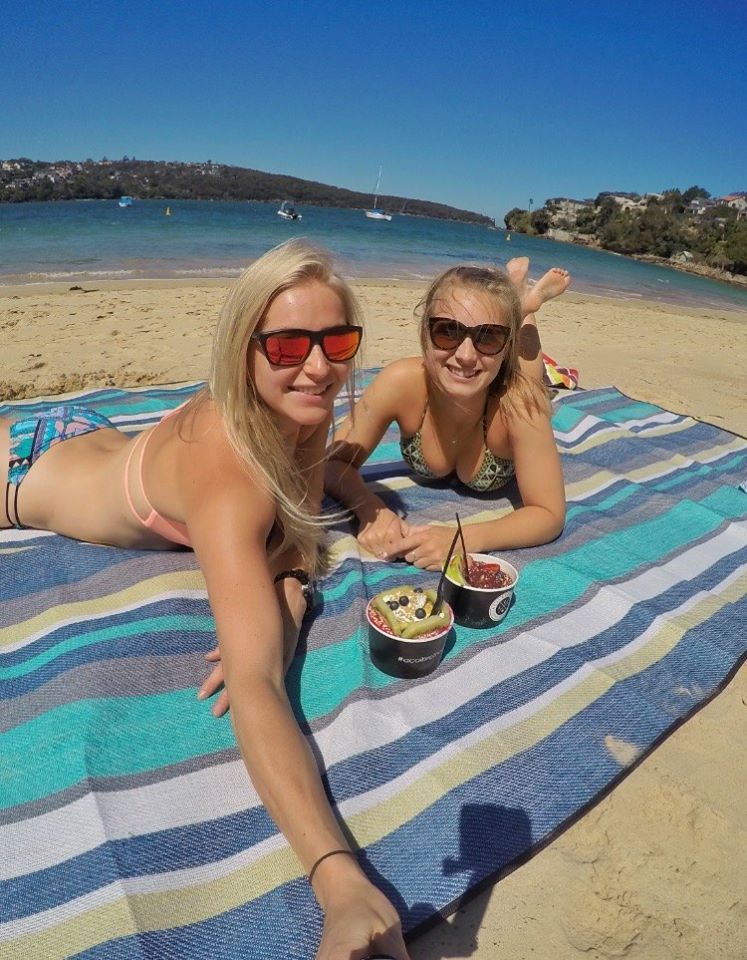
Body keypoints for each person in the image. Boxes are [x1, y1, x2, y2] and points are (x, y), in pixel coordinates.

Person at [1, 240, 410, 960]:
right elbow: (254, 683)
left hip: (88, 433)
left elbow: (297, 531)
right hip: (23, 473)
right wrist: (338, 878)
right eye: (287, 345)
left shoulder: (304, 409)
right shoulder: (228, 464)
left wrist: (292, 588)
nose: (318, 366)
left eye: (337, 341)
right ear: (243, 348)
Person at [325, 261, 568, 570]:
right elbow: (332, 463)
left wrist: (462, 539)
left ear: (506, 346)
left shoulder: (518, 406)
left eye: (489, 337)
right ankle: (516, 301)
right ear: (425, 333)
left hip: (515, 388)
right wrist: (371, 509)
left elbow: (549, 514)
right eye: (448, 331)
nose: (465, 355)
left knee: (531, 379)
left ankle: (524, 307)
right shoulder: (400, 382)